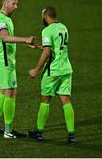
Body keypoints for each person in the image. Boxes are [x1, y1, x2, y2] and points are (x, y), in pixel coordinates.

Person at [27, 7, 77, 144]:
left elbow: (48, 52)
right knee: (66, 100)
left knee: (45, 100)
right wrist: (38, 47)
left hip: (52, 71)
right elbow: (57, 49)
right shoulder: (63, 28)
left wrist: (36, 70)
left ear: (45, 17)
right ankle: (72, 135)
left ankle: (39, 132)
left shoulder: (47, 30)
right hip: (66, 69)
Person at [0, 0, 35, 139]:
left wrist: (26, 43)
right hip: (4, 62)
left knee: (3, 90)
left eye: (17, 3)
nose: (16, 6)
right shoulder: (0, 19)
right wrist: (25, 40)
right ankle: (8, 131)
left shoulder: (4, 18)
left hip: (3, 61)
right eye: (13, 3)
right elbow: (5, 37)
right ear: (5, 3)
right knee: (11, 92)